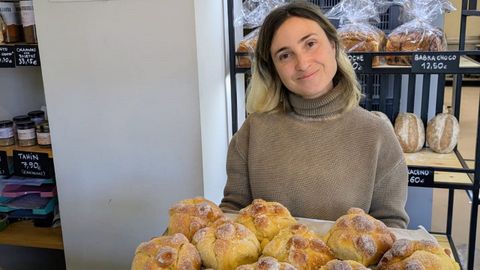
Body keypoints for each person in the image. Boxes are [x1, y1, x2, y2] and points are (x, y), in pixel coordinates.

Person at [220, 1, 409, 228]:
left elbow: (390, 227)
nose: (302, 63)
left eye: (310, 44)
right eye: (285, 55)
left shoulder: (377, 135)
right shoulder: (253, 132)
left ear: (333, 45)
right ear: (273, 68)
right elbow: (233, 215)